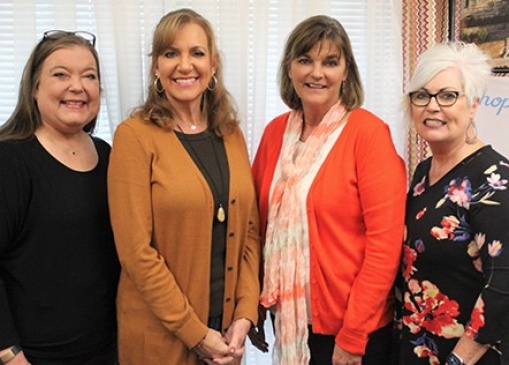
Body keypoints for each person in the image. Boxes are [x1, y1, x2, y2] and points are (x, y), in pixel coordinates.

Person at [250, 15, 407, 365]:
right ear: (290, 69)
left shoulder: (368, 135)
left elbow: (385, 245)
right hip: (289, 320)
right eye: (305, 60)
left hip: (352, 330)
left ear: (346, 71)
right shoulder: (275, 133)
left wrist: (353, 336)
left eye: (330, 62)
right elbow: (255, 227)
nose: (316, 73)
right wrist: (253, 305)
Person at [107, 8, 260, 365]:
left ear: (214, 63)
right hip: (160, 339)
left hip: (225, 338)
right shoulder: (134, 136)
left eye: (197, 52)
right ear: (156, 66)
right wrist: (194, 332)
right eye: (171, 53)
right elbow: (135, 252)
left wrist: (244, 314)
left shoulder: (230, 133)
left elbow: (249, 231)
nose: (184, 65)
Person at [0, 31, 120, 365]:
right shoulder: (11, 159)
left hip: (107, 351)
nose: (77, 86)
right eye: (60, 74)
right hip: (35, 357)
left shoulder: (108, 156)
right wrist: (9, 354)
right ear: (34, 87)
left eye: (89, 76)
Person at [397, 42, 509, 365]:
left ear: (472, 105)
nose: (432, 106)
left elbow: (503, 286)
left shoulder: (494, 179)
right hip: (418, 349)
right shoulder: (422, 173)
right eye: (422, 95)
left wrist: (458, 361)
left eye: (447, 96)